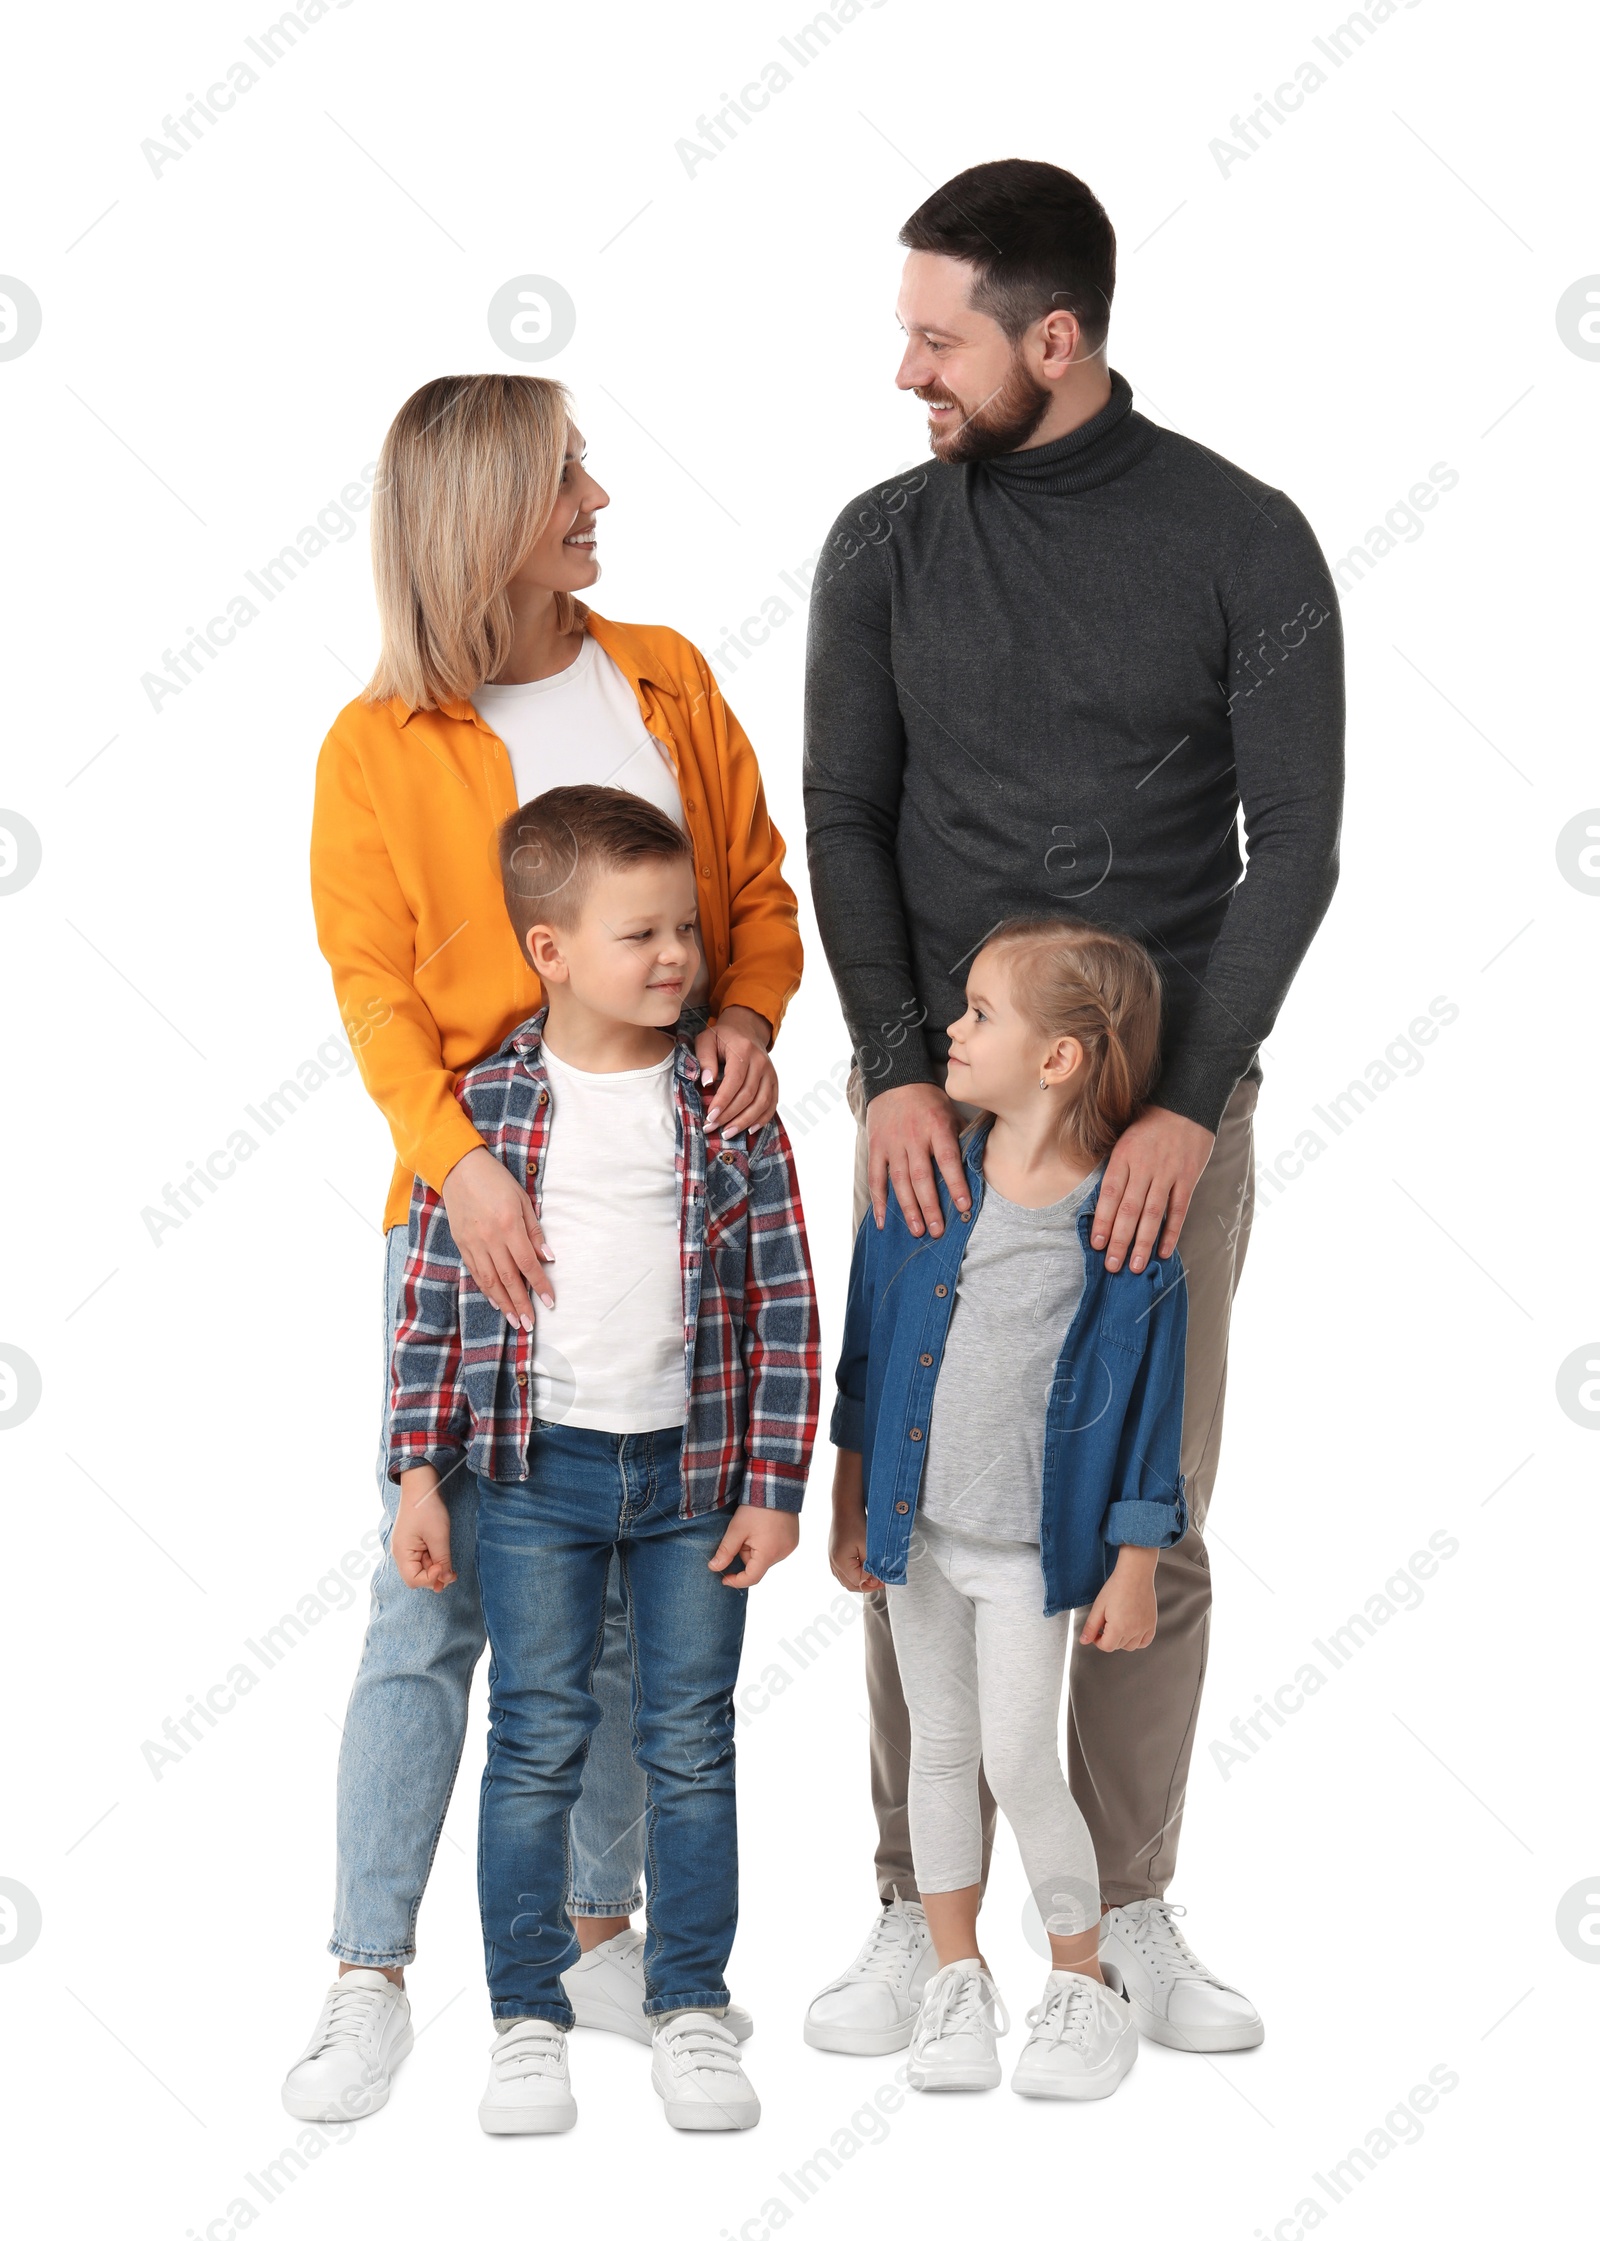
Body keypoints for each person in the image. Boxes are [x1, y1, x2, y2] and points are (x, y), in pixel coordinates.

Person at [803, 158, 1344, 2056]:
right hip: (938, 1108)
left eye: (937, 338)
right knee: (915, 1504)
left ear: (1057, 338)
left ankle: (1118, 1915)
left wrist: (1190, 1105)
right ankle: (918, 1915)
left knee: (1143, 1515)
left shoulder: (1245, 539)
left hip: (1156, 1122)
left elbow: (1299, 848)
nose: (906, 372)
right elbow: (847, 818)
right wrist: (888, 1072)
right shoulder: (882, 542)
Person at [285, 374, 803, 2123]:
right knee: (430, 1599)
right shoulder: (378, 748)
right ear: (484, 515)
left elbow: (755, 892)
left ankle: (599, 1937)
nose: (598, 495)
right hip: (475, 1221)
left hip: (668, 1201)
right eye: (565, 476)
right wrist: (461, 1177)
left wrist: (748, 1016)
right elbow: (371, 1002)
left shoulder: (661, 674)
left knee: (624, 1589)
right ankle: (368, 1970)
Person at [383, 785, 819, 2133]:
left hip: (693, 1484)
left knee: (690, 1744)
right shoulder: (489, 1102)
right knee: (536, 1742)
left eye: (685, 928)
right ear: (551, 950)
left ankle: (688, 2003)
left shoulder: (726, 1102)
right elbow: (434, 1305)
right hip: (534, 1478)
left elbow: (790, 1297)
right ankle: (528, 2016)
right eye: (642, 935)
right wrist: (416, 1469)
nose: (679, 958)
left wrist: (774, 1483)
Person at [829, 920, 1184, 2100]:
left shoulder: (1124, 1228)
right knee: (939, 1752)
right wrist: (850, 1497)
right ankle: (954, 1978)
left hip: (1029, 1558)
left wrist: (1134, 1560)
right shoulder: (925, 1187)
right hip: (918, 1540)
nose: (951, 1029)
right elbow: (867, 1358)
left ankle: (1080, 1983)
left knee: (1020, 1759)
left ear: (1060, 1060)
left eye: (979, 1013)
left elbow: (1150, 1413)